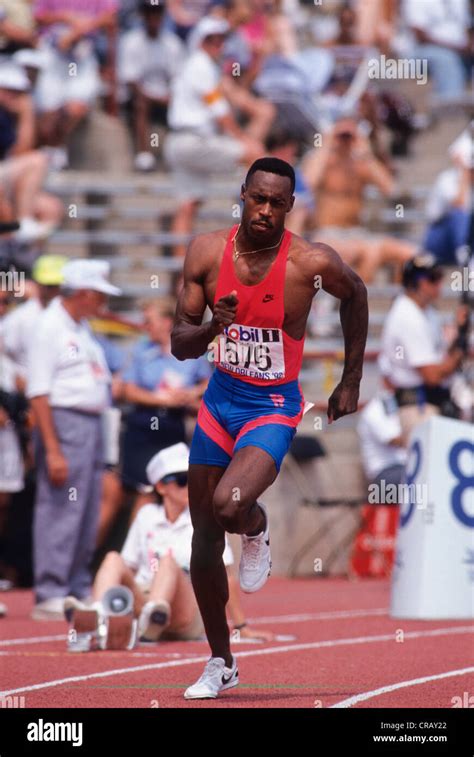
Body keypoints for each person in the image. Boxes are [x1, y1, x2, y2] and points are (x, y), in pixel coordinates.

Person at [170, 156, 368, 698]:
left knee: (230, 507)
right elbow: (180, 343)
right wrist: (215, 325)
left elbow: (358, 296)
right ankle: (221, 661)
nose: (265, 210)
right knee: (204, 541)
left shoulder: (310, 262)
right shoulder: (207, 253)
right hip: (218, 404)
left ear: (290, 206)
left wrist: (349, 382)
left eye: (277, 203)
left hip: (272, 406)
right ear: (243, 193)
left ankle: (256, 530)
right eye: (257, 198)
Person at [67, 442, 273, 643]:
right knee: (113, 558)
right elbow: (127, 565)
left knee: (167, 562)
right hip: (144, 600)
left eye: (193, 479)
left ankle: (154, 614)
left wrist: (240, 627)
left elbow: (226, 577)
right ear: (161, 487)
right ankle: (98, 614)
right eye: (182, 480)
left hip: (187, 607)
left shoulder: (206, 518)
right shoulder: (146, 515)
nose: (190, 486)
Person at [27, 259, 121, 620]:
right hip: (65, 423)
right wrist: (52, 448)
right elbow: (39, 391)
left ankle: (76, 584)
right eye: (99, 295)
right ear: (83, 293)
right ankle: (50, 588)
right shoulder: (50, 327)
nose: (102, 303)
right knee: (60, 506)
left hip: (90, 423)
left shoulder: (79, 327)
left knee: (85, 506)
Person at [164, 15, 270, 257]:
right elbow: (220, 113)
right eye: (212, 39)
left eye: (221, 39)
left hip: (181, 141)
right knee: (258, 159)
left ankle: (181, 271)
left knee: (188, 205)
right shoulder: (201, 66)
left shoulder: (196, 66)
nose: (218, 44)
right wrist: (242, 139)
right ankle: (256, 241)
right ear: (200, 41)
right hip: (194, 141)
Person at [121, 301, 212, 515]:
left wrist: (190, 394)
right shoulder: (141, 351)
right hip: (143, 429)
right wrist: (163, 400)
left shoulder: (190, 352)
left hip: (172, 429)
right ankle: (139, 547)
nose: (145, 326)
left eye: (149, 321)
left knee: (171, 492)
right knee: (147, 493)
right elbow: (129, 391)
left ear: (166, 322)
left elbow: (210, 383)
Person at [301, 117, 416, 283]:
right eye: (342, 135)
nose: (346, 140)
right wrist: (327, 143)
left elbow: (391, 189)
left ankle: (398, 304)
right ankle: (355, 304)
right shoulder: (323, 162)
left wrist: (366, 152)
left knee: (409, 254)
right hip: (326, 234)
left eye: (349, 135)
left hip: (357, 233)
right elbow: (307, 184)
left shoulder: (360, 164)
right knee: (370, 251)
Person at [379, 254, 468, 447]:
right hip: (418, 408)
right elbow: (432, 375)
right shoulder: (407, 317)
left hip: (433, 404)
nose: (439, 284)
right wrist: (458, 355)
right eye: (433, 279)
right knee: (429, 476)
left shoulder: (427, 313)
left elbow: (440, 356)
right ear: (416, 283)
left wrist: (459, 329)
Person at [118, 0, 185, 172]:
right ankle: (144, 155)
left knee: (183, 102)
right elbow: (130, 80)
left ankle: (178, 156)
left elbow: (178, 78)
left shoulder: (172, 44)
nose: (153, 17)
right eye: (149, 12)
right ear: (143, 15)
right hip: (139, 98)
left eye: (156, 13)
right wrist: (153, 97)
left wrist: (170, 96)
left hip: (165, 97)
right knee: (141, 103)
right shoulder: (131, 42)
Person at [2, 254, 67, 373]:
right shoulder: (19, 319)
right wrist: (15, 378)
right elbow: (4, 357)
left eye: (59, 286)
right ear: (37, 283)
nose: (55, 291)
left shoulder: (74, 320)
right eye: (50, 286)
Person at [424, 127, 473, 265]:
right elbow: (460, 204)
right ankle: (464, 255)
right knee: (460, 215)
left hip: (466, 239)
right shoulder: (446, 179)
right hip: (439, 238)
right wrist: (464, 173)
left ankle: (466, 254)